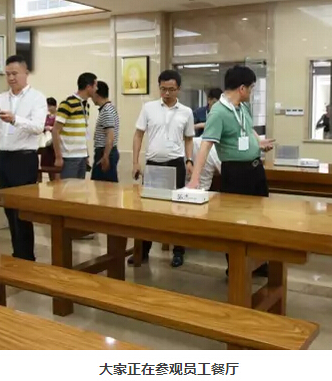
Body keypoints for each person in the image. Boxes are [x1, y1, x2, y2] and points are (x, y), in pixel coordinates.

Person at [187, 65, 275, 276]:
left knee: (260, 220)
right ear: (242, 88)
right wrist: (194, 180)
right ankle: (236, 267)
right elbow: (206, 146)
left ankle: (259, 263)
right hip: (235, 174)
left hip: (255, 170)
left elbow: (248, 129)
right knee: (236, 222)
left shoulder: (243, 107)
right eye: (251, 88)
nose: (252, 92)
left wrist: (258, 142)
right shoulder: (218, 112)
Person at [0, 55, 47, 261]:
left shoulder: (37, 98)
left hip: (24, 159)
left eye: (15, 73)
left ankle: (26, 256)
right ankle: (17, 252)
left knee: (22, 210)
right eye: (7, 74)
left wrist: (15, 119)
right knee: (8, 208)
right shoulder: (1, 98)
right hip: (4, 158)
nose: (11, 78)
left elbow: (38, 127)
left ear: (26, 73)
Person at [131, 69, 195, 268]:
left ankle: (178, 251)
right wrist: (135, 162)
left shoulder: (186, 112)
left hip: (176, 164)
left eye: (171, 89)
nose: (167, 93)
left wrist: (189, 160)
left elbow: (189, 138)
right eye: (163, 89)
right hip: (153, 164)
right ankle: (143, 251)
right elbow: (138, 135)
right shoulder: (148, 108)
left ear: (179, 89)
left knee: (178, 210)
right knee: (148, 210)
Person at [53, 73, 97, 179]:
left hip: (82, 156)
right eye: (95, 86)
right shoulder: (67, 104)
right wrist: (58, 157)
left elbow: (84, 131)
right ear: (88, 87)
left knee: (80, 188)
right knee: (68, 188)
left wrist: (86, 154)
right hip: (69, 157)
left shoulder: (86, 105)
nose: (96, 89)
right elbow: (55, 131)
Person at [90, 81, 120, 183]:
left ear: (97, 94)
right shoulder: (108, 109)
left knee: (103, 186)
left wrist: (105, 157)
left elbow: (110, 136)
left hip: (105, 152)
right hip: (106, 152)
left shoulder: (107, 111)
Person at [40, 97, 58, 180]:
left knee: (54, 166)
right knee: (46, 164)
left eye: (50, 106)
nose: (49, 108)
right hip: (45, 140)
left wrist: (51, 128)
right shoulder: (46, 117)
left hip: (54, 141)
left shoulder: (58, 117)